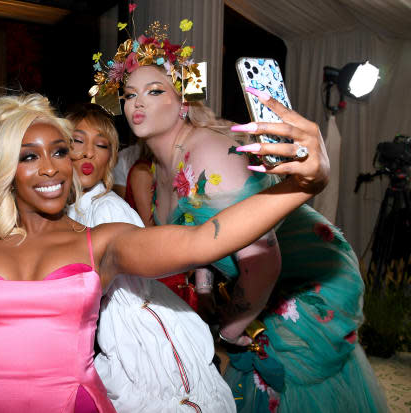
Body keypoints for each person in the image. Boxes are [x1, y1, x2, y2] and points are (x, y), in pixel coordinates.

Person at [0, 90, 329, 412]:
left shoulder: (101, 243)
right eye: (30, 156)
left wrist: (302, 186)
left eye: (59, 151)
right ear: (4, 169)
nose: (52, 166)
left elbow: (200, 239)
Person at [92, 23, 388, 412]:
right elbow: (201, 234)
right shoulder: (154, 167)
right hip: (255, 289)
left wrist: (229, 329)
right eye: (130, 94)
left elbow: (263, 261)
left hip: (303, 281)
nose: (136, 104)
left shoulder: (208, 155)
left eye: (154, 91)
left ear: (182, 99)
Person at [66, 103, 235, 412]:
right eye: (78, 141)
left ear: (110, 158)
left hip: (140, 328)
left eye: (101, 145)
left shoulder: (107, 207)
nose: (89, 152)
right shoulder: (70, 210)